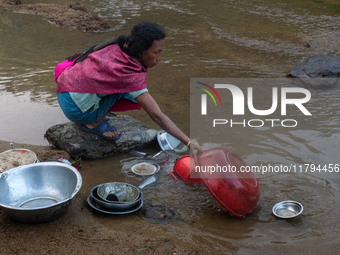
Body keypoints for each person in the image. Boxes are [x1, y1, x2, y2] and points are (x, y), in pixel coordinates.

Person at [55, 22, 202, 155]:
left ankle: (95, 110)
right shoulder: (128, 73)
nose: (159, 57)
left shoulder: (121, 47)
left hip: (66, 89)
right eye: (156, 52)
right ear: (141, 51)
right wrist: (188, 142)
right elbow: (156, 115)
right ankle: (93, 122)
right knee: (133, 93)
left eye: (161, 52)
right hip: (76, 110)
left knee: (134, 92)